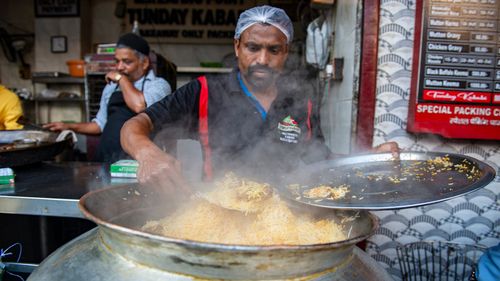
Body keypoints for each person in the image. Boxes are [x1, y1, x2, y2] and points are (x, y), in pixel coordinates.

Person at [120, 5, 399, 193]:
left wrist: (367, 160)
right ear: (237, 46)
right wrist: (147, 153)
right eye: (253, 47)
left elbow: (321, 161)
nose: (262, 60)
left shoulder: (302, 101)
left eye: (273, 50)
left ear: (286, 52)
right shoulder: (204, 91)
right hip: (220, 213)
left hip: (284, 218)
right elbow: (134, 126)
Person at [44, 33, 171, 162]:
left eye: (127, 62)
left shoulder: (159, 85)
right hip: (105, 156)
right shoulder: (111, 87)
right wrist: (69, 126)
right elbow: (100, 124)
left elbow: (139, 106)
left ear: (144, 63)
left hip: (135, 161)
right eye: (117, 61)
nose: (119, 67)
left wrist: (121, 79)